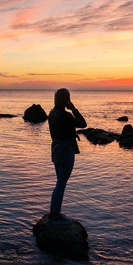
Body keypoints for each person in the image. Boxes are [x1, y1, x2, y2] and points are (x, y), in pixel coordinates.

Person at [48, 88, 87, 224]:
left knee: (59, 182)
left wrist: (70, 133)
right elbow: (83, 123)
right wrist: (74, 109)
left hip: (56, 148)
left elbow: (58, 131)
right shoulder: (66, 115)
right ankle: (55, 215)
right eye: (68, 97)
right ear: (66, 99)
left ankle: (53, 212)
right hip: (66, 150)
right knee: (61, 183)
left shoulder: (52, 113)